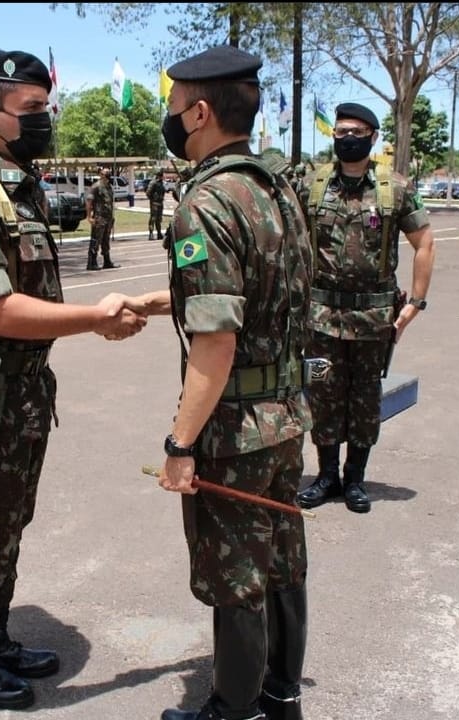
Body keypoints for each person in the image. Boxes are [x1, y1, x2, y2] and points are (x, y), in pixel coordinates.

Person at [0, 49, 146, 712]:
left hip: (16, 390)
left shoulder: (13, 179)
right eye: (33, 111)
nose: (46, 121)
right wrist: (95, 319)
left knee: (9, 518)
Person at [121, 45, 314, 720]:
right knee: (282, 554)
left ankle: (234, 709)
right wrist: (159, 300)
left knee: (236, 572)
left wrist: (179, 446)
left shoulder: (205, 202)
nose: (171, 121)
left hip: (234, 427)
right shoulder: (277, 188)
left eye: (174, 109)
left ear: (199, 111)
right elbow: (259, 296)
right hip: (286, 412)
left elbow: (217, 340)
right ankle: (280, 693)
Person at [295, 102, 435, 515]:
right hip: (320, 318)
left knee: (364, 399)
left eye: (356, 131)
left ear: (373, 138)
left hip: (374, 321)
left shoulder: (395, 189)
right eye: (340, 132)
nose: (347, 138)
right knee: (321, 395)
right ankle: (326, 477)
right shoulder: (313, 185)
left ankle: (354, 480)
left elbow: (424, 243)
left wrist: (416, 304)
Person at [85, 166, 118, 270]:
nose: (108, 176)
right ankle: (92, 262)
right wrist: (89, 217)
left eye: (109, 174)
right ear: (101, 175)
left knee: (106, 240)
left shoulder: (109, 187)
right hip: (99, 218)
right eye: (105, 174)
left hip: (108, 218)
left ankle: (107, 261)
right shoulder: (96, 187)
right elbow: (89, 202)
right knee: (96, 240)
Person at [146, 169, 167, 241]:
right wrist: (153, 199)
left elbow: (163, 191)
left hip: (160, 203)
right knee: (153, 219)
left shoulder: (161, 183)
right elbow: (148, 193)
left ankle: (159, 233)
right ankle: (151, 234)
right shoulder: (153, 183)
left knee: (159, 219)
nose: (162, 177)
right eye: (161, 176)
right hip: (154, 203)